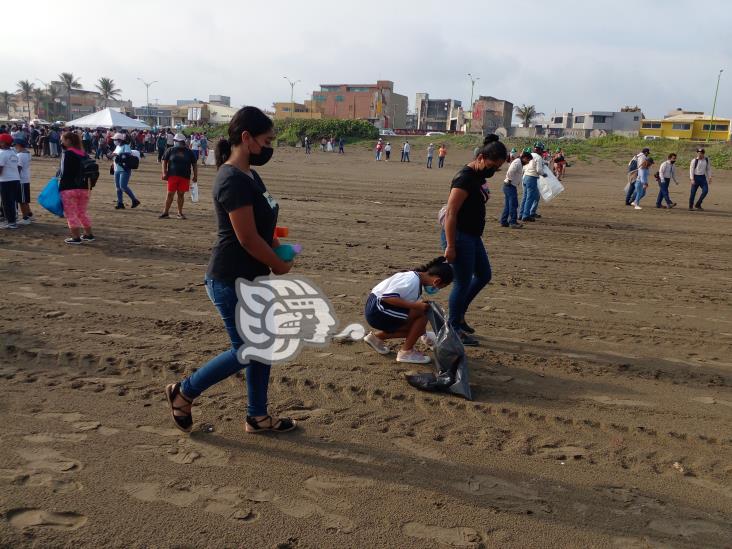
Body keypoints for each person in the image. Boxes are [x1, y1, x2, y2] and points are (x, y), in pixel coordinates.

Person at [164, 106, 296, 435]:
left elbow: (258, 226)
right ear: (247, 138)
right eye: (267, 140)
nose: (270, 147)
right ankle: (184, 392)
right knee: (247, 349)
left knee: (262, 346)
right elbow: (247, 238)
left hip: (252, 277)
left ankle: (257, 416)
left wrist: (277, 242)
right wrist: (278, 263)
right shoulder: (231, 179)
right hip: (230, 279)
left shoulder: (249, 174)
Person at [442, 134, 507, 345]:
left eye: (497, 168)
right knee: (461, 282)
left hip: (472, 235)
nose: (493, 171)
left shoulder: (478, 176)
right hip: (459, 236)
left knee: (483, 274)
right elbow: (451, 213)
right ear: (480, 157)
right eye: (492, 166)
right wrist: (451, 245)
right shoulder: (464, 178)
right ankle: (453, 327)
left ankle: (459, 316)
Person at [363, 257, 454, 364]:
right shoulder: (412, 281)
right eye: (441, 286)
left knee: (416, 329)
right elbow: (387, 297)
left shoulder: (415, 278)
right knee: (423, 313)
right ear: (437, 281)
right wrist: (415, 305)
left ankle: (376, 338)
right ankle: (406, 352)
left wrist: (423, 333)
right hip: (378, 310)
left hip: (378, 308)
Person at [58, 132, 95, 244]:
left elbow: (64, 172)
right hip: (84, 187)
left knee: (71, 213)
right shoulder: (83, 154)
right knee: (82, 212)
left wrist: (59, 185)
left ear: (69, 141)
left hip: (69, 188)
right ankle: (89, 234)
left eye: (63, 140)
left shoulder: (67, 153)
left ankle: (76, 237)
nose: (61, 142)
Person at [160, 133, 198, 219]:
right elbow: (164, 161)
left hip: (185, 176)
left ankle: (179, 213)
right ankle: (165, 212)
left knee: (181, 194)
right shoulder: (170, 150)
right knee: (170, 194)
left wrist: (195, 176)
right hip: (172, 176)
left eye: (176, 141)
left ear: (182, 142)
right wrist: (164, 172)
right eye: (175, 141)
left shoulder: (189, 152)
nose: (175, 142)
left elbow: (194, 164)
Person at [501, 150, 532, 228]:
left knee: (508, 205)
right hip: (509, 185)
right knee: (513, 204)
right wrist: (509, 180)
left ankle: (504, 221)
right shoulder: (517, 162)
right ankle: (513, 222)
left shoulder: (519, 162)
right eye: (528, 160)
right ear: (524, 158)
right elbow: (510, 171)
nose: (528, 162)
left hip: (509, 185)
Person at [111, 132, 141, 210]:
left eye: (115, 139)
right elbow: (114, 154)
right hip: (117, 168)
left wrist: (117, 155)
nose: (114, 141)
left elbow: (127, 155)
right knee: (118, 187)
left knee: (123, 186)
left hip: (124, 169)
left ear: (119, 140)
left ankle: (134, 200)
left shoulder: (126, 146)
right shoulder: (117, 146)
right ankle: (120, 203)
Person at [519, 144, 545, 222]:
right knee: (530, 198)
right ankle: (526, 215)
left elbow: (523, 167)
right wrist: (544, 174)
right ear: (540, 150)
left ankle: (520, 214)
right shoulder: (539, 157)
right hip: (532, 178)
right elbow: (539, 170)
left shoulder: (530, 155)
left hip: (525, 177)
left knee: (525, 197)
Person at [0, 133, 21, 230]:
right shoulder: (13, 152)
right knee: (11, 201)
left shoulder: (2, 154)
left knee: (7, 202)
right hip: (15, 179)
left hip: (6, 181)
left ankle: (11, 222)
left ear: (4, 143)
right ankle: (12, 220)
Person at [14, 138, 35, 224]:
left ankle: (25, 218)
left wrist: (15, 178)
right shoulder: (27, 153)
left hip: (21, 179)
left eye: (15, 145)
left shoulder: (20, 155)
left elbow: (18, 168)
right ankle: (29, 214)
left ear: (19, 145)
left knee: (22, 200)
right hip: (26, 178)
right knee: (25, 199)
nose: (14, 146)